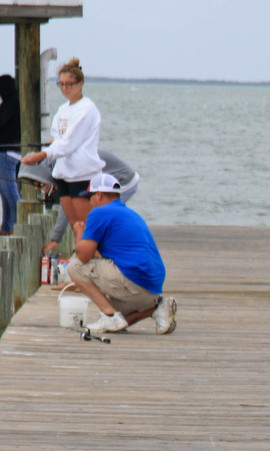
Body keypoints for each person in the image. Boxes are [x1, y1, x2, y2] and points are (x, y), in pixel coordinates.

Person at [67, 172, 176, 335]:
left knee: (75, 267)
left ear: (99, 194)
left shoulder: (99, 213)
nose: (89, 201)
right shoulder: (131, 214)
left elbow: (83, 256)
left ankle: (109, 316)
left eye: (90, 196)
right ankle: (156, 307)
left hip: (133, 282)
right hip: (151, 287)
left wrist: (79, 232)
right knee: (117, 315)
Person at [21, 57, 104, 234]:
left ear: (80, 83)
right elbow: (58, 138)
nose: (65, 88)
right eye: (62, 84)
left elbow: (68, 143)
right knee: (75, 226)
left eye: (70, 84)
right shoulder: (63, 109)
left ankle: (94, 258)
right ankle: (80, 259)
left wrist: (41, 155)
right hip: (63, 174)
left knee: (87, 227)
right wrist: (51, 148)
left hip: (82, 174)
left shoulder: (87, 109)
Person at [19, 149, 140, 258]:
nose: (38, 188)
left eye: (39, 184)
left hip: (123, 181)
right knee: (90, 217)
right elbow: (68, 203)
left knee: (101, 219)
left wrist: (56, 238)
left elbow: (65, 206)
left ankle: (109, 257)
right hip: (100, 181)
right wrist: (57, 238)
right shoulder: (59, 162)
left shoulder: (65, 165)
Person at [0, 74, 20, 235]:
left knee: (9, 191)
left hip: (7, 152)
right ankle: (7, 226)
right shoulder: (15, 101)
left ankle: (17, 225)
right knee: (4, 191)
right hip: (13, 151)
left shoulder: (11, 103)